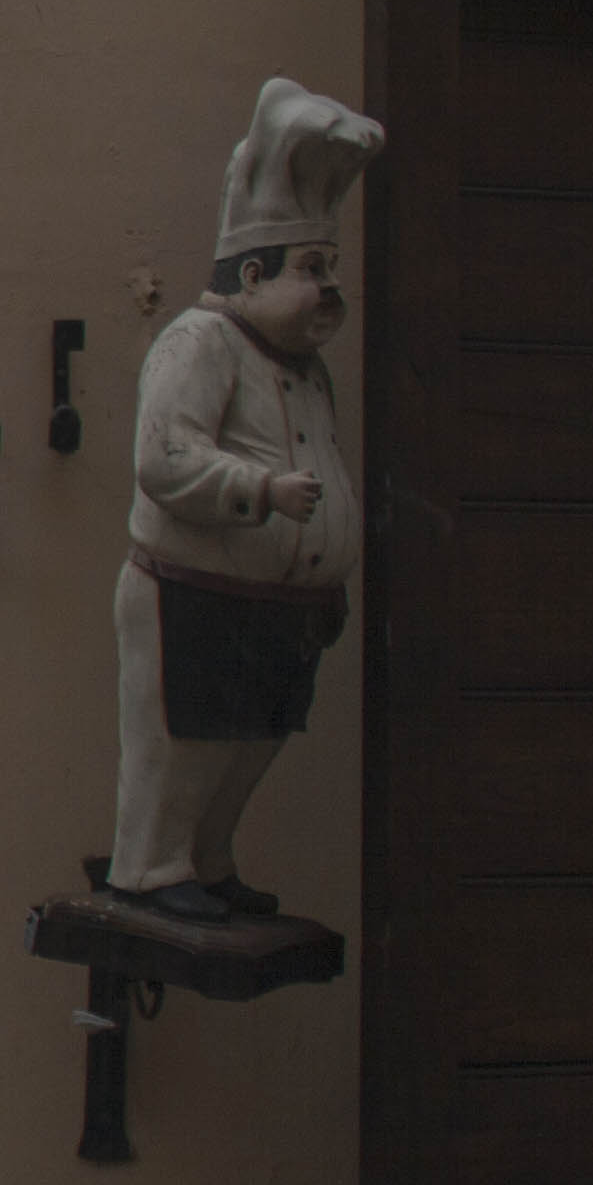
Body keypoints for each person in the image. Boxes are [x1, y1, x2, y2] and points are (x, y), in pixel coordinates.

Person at [107, 79, 384, 920]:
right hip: (193, 595)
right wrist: (258, 491)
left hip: (279, 606)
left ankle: (211, 861)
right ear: (253, 271)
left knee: (252, 747)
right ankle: (151, 869)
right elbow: (166, 459)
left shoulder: (303, 366)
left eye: (330, 267)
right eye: (312, 270)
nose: (328, 288)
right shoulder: (199, 342)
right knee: (186, 747)